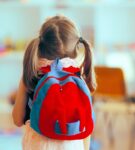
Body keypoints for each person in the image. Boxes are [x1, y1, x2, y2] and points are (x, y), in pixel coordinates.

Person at [12, 15, 96, 150]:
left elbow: (17, 120)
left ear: (40, 45)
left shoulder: (33, 74)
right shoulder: (78, 77)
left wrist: (23, 81)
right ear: (76, 47)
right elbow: (86, 126)